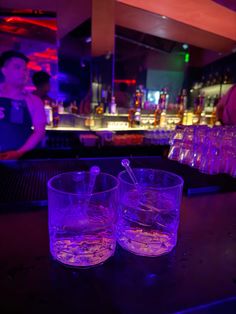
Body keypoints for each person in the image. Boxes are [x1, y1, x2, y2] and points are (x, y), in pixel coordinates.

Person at [0, 50, 46, 160]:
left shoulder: (34, 101)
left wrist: (19, 153)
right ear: (4, 71)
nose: (23, 72)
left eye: (25, 69)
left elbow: (39, 131)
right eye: (17, 67)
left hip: (20, 160)